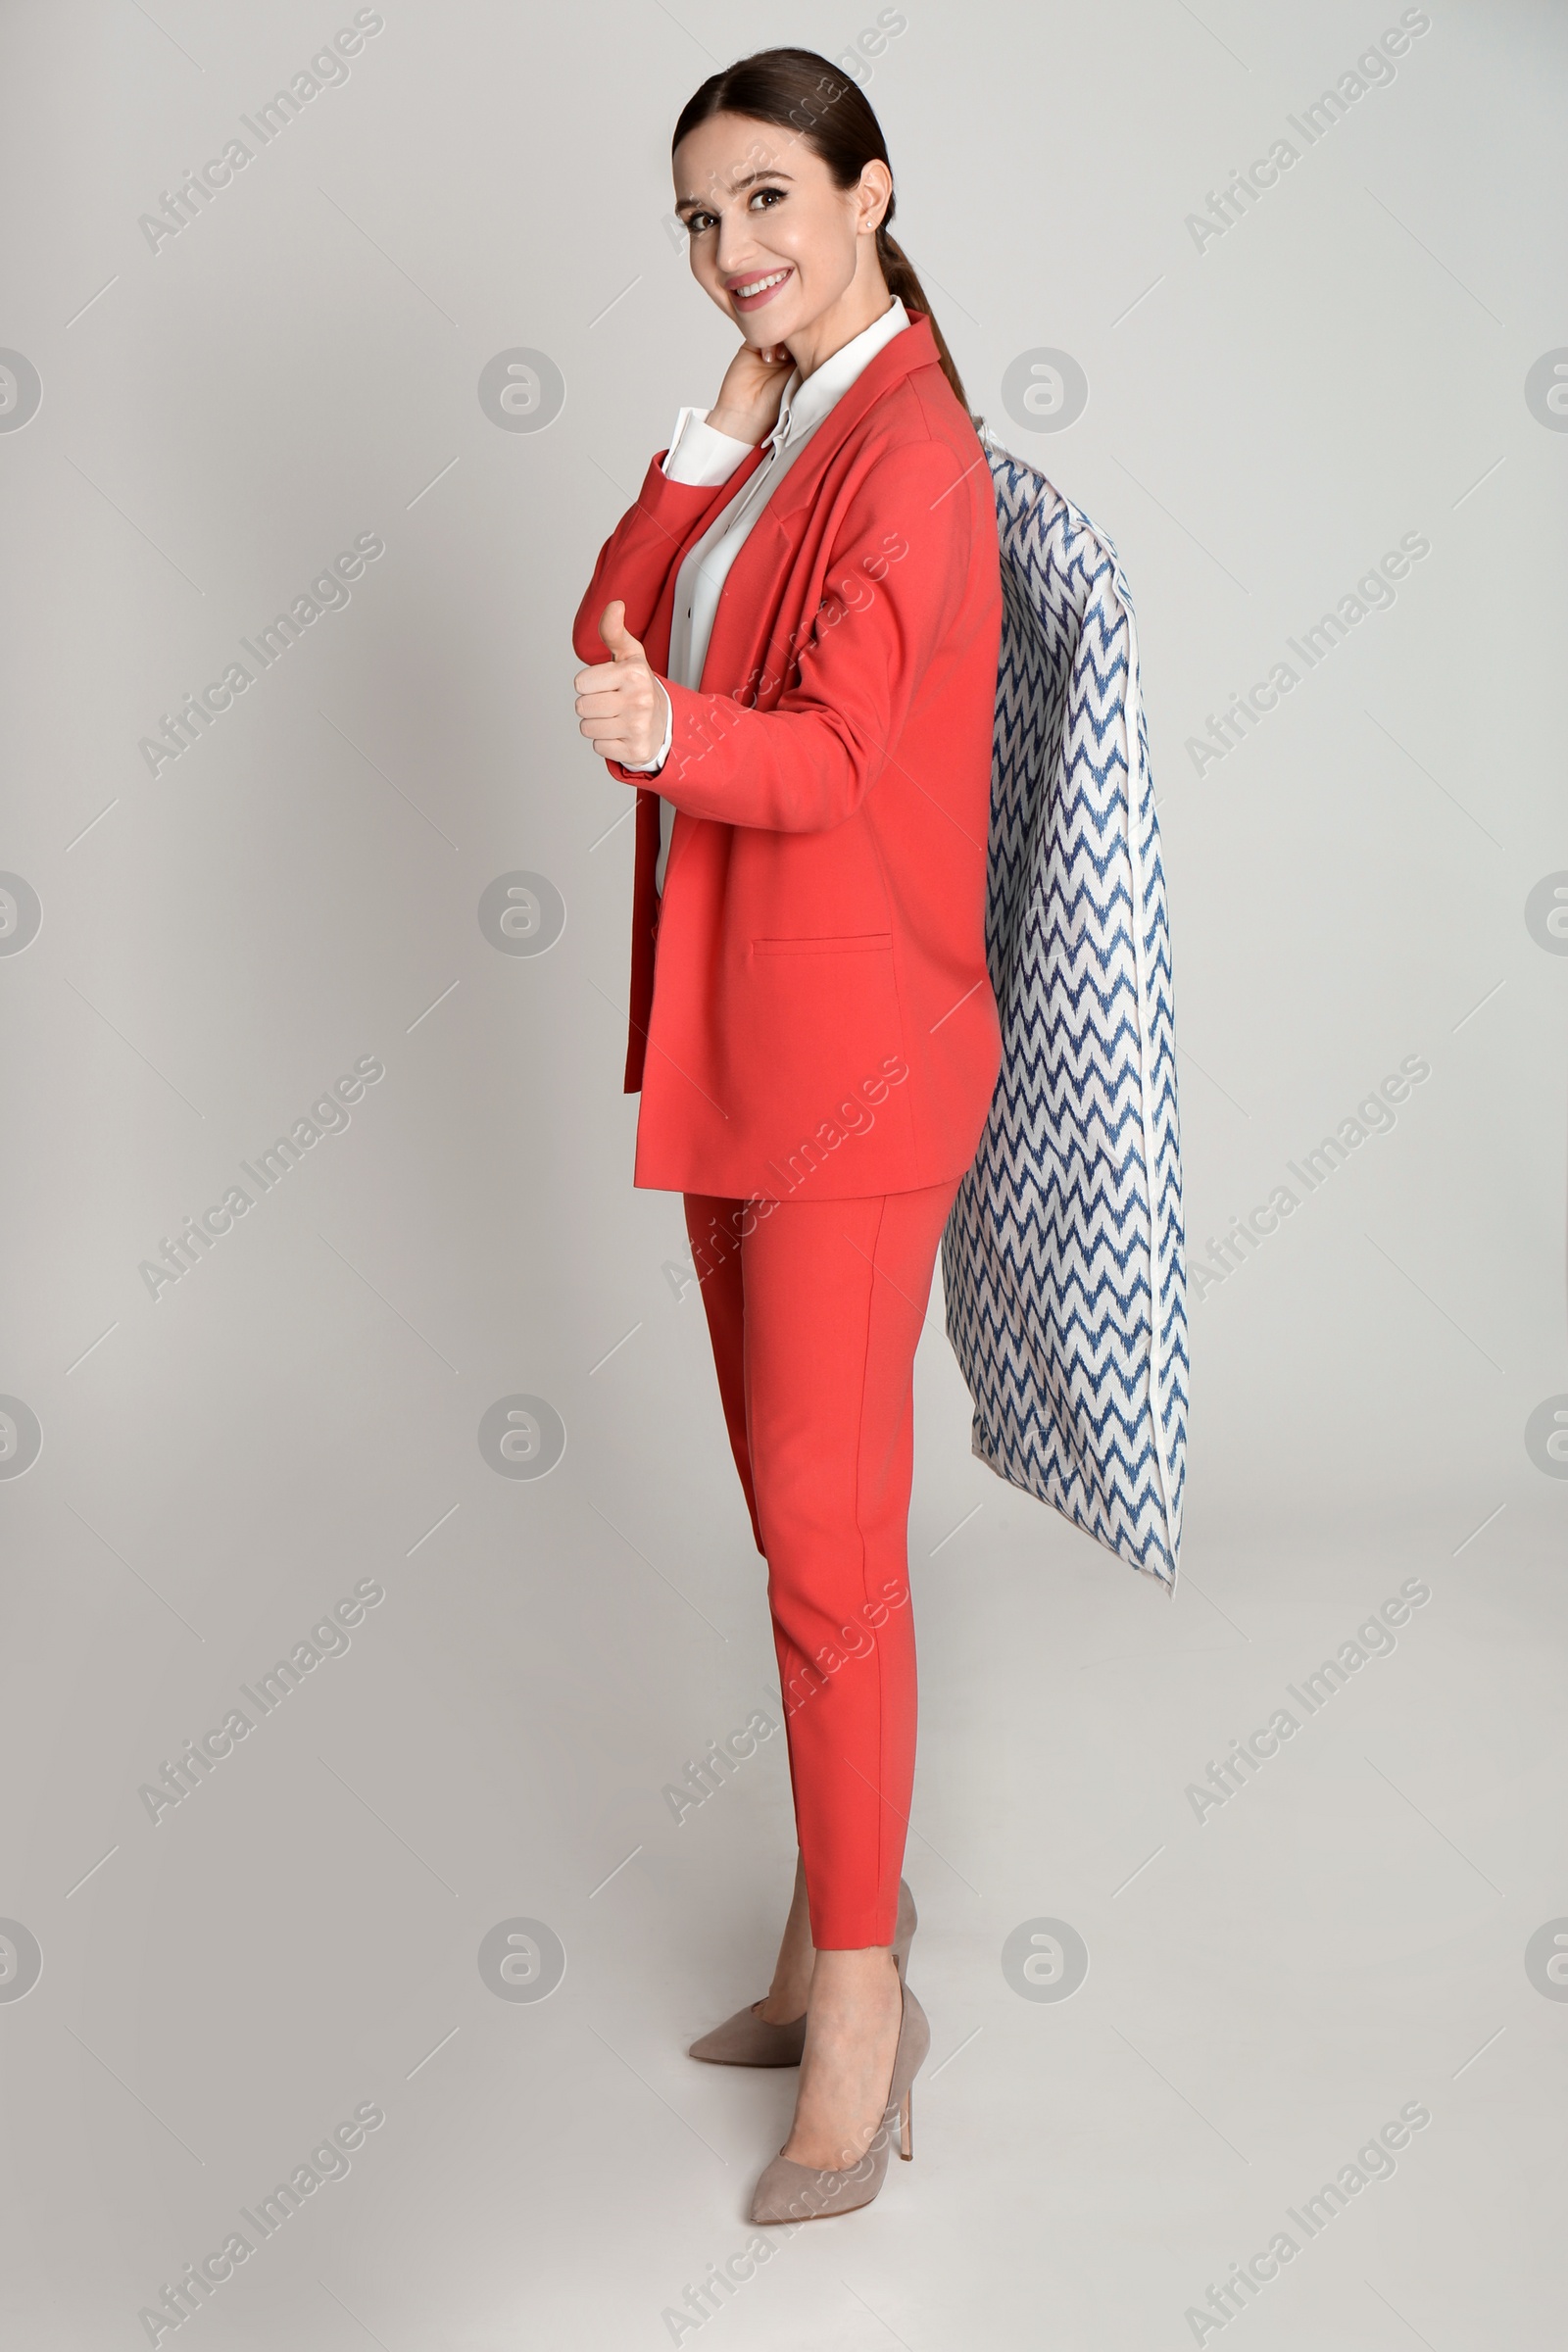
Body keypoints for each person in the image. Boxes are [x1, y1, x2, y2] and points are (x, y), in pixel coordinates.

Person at [571, 46, 1002, 2222]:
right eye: (696, 223)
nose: (730, 254)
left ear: (867, 189)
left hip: (851, 1074)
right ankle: (824, 1920)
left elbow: (827, 759)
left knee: (829, 1550)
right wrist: (702, 450)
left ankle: (861, 2000)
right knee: (792, 1535)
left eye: (763, 203)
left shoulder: (914, 453)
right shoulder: (790, 433)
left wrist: (665, 736)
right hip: (741, 1052)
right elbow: (598, 625)